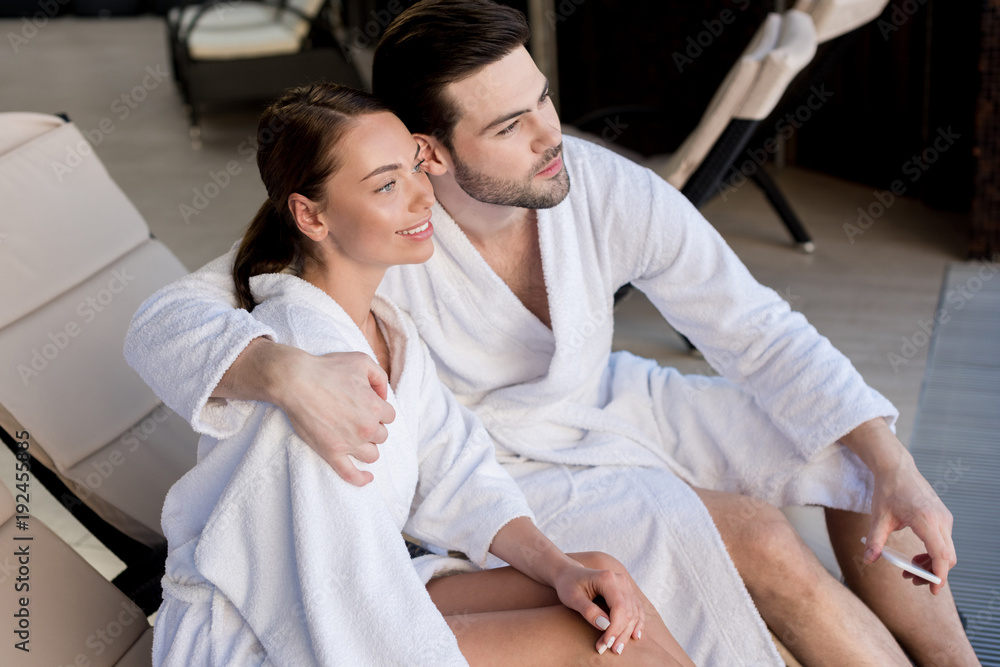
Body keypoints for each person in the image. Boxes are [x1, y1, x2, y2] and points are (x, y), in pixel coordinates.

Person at [127, 2, 977, 665]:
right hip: (505, 461)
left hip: (603, 399)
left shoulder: (597, 185)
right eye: (507, 127)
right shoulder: (368, 223)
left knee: (857, 459)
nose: (549, 137)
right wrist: (281, 371)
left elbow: (754, 327)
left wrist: (894, 465)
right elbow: (168, 321)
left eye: (542, 101)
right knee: (750, 532)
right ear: (428, 152)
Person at [150, 83, 693, 666]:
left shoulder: (386, 324)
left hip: (355, 592)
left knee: (599, 575)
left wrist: (560, 569)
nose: (423, 198)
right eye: (386, 185)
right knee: (595, 645)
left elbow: (454, 470)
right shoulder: (312, 364)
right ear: (310, 215)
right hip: (261, 634)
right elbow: (323, 595)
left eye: (415, 169)